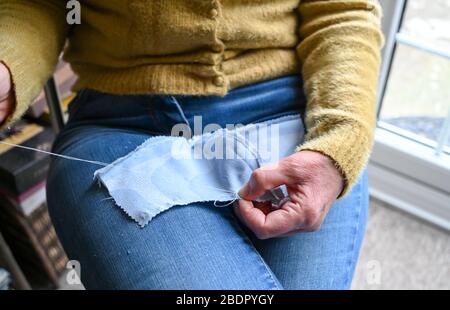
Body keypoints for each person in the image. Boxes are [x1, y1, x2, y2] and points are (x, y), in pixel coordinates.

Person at [0, 0, 384, 289]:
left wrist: (338, 144)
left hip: (294, 122)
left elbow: (343, 11)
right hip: (121, 124)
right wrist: (6, 66)